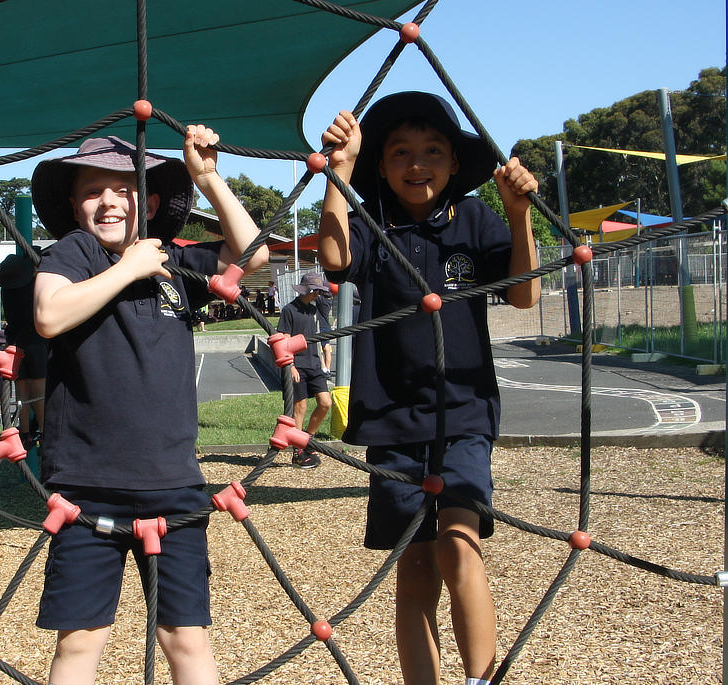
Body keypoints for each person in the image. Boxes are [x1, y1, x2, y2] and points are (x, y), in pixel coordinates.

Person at [317, 91, 540, 685]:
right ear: (383, 165)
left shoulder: (473, 217)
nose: (418, 164)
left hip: (462, 412)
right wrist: (338, 175)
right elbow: (336, 259)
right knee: (413, 565)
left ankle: (479, 677)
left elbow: (524, 293)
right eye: (401, 153)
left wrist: (518, 213)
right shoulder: (371, 219)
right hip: (391, 414)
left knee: (457, 541)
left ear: (453, 163)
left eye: (433, 151)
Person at [29, 129, 268, 685]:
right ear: (73, 203)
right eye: (93, 190)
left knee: (184, 638)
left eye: (124, 188)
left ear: (152, 203)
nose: (109, 201)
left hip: (172, 480)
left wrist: (208, 177)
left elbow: (251, 256)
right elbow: (48, 314)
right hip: (86, 484)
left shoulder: (176, 264)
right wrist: (127, 269)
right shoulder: (76, 252)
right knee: (80, 640)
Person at [277, 272, 336, 469]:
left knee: (325, 402)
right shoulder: (289, 310)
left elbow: (320, 329)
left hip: (314, 364)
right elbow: (284, 341)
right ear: (308, 290)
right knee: (300, 407)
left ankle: (307, 439)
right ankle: (298, 451)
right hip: (297, 366)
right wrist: (290, 366)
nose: (318, 295)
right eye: (316, 291)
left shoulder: (315, 309)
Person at [0, 253, 48, 447]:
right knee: (39, 392)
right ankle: (43, 431)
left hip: (15, 343)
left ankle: (25, 432)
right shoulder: (33, 287)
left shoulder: (8, 291)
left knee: (21, 391)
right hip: (36, 341)